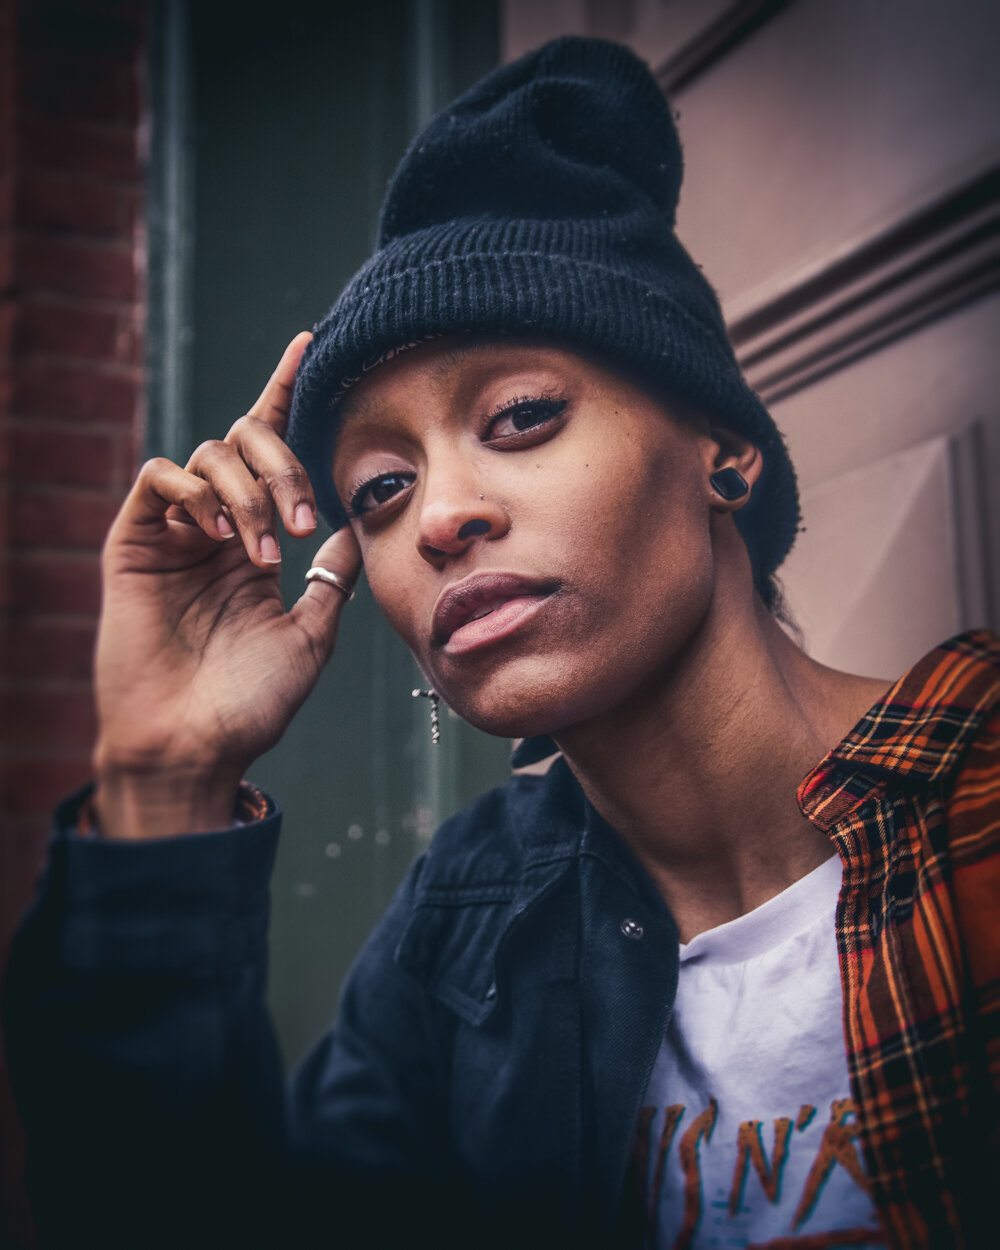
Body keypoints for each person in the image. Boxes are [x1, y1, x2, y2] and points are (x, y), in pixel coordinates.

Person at [4, 35, 998, 1250]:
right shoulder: (469, 919)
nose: (437, 515)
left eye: (520, 416)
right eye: (377, 488)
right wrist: (162, 780)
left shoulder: (976, 788)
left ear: (721, 449)